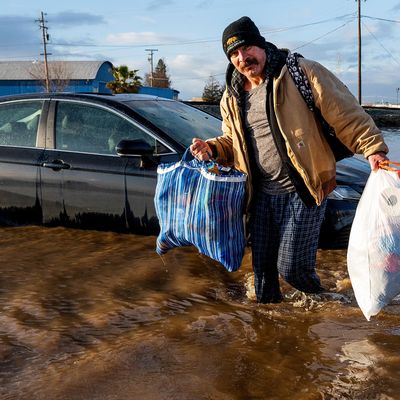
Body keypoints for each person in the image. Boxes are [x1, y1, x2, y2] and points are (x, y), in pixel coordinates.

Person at [190, 16, 389, 303]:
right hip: (259, 196)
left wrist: (373, 149)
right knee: (263, 282)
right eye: (233, 53)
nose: (242, 58)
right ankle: (271, 337)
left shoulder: (300, 72)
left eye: (247, 48)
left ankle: (330, 305)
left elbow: (345, 113)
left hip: (304, 189)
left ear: (260, 45)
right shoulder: (231, 97)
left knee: (292, 268)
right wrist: (211, 149)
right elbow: (232, 143)